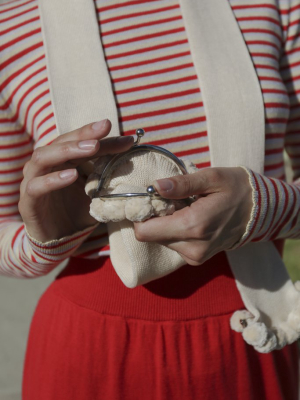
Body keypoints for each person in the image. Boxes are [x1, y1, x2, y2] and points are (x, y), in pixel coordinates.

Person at [0, 0, 299, 399]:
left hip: (250, 335)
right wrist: (47, 238)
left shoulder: (278, 5)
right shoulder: (11, 22)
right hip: (89, 351)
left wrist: (265, 205)